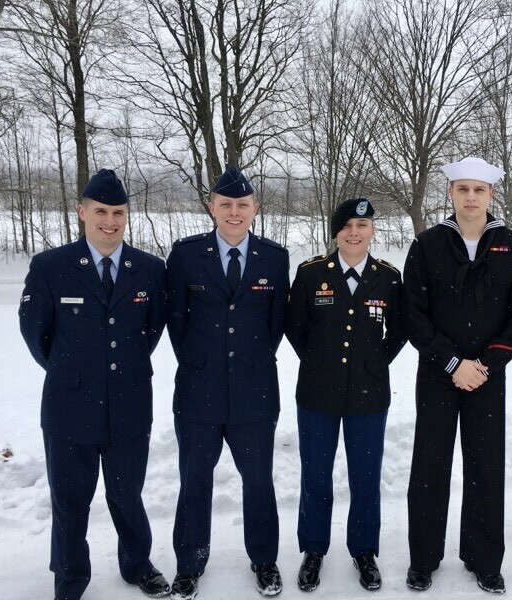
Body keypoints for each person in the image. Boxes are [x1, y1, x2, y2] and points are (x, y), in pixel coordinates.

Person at [18, 169, 169, 600]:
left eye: (118, 212)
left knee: (127, 495)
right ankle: (69, 577)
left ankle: (137, 564)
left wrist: (120, 368)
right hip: (70, 405)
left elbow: (151, 331)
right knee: (70, 500)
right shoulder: (51, 267)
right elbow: (35, 332)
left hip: (130, 403)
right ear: (82, 212)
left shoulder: (150, 269)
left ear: (127, 215)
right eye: (100, 211)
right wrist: (75, 372)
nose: (110, 221)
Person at [403, 157, 512, 593]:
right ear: (451, 194)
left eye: (479, 190)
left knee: (485, 467)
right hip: (439, 373)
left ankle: (483, 559)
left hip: (486, 376)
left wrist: (485, 365)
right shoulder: (427, 244)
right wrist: (450, 362)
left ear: (492, 195)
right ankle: (423, 558)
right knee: (430, 466)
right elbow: (414, 314)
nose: (471, 197)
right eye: (463, 189)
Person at [166, 166, 289, 600]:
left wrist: (246, 363)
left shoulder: (274, 258)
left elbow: (274, 325)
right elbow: (177, 322)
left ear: (254, 209)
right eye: (225, 204)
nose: (233, 212)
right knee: (194, 479)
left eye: (242, 205)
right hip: (199, 391)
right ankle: (189, 563)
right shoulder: (184, 256)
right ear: (211, 207)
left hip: (255, 392)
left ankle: (264, 560)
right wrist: (204, 363)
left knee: (258, 481)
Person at [285, 198, 407, 593]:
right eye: (347, 226)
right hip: (317, 393)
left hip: (369, 395)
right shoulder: (311, 273)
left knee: (366, 476)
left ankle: (364, 551)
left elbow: (400, 330)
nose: (354, 233)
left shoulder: (387, 277)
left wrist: (374, 361)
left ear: (373, 231)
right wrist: (319, 362)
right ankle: (314, 549)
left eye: (362, 225)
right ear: (335, 232)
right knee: (316, 475)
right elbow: (295, 326)